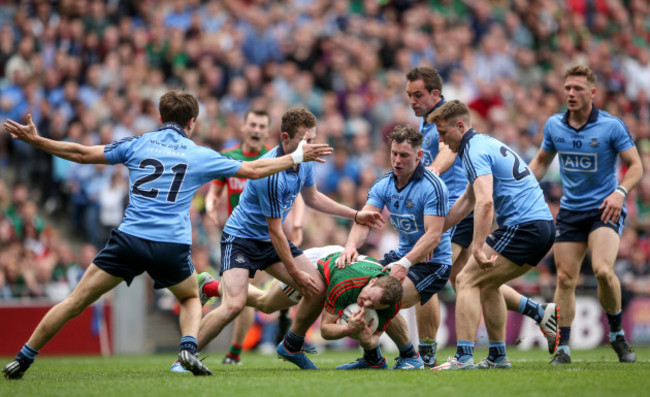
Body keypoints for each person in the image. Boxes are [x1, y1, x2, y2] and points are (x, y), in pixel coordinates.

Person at [1, 91, 333, 379]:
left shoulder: (138, 143)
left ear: (161, 118)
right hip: (170, 246)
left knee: (74, 302)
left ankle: (24, 356)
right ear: (192, 123)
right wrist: (297, 156)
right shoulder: (198, 154)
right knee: (190, 297)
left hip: (128, 240)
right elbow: (253, 169)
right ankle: (188, 348)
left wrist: (38, 140)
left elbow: (82, 154)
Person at [194, 107, 385, 370]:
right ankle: (186, 353)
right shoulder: (272, 175)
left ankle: (292, 346)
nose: (312, 146)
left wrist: (355, 214)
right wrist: (295, 273)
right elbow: (275, 231)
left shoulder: (303, 162)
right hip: (241, 239)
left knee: (317, 289)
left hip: (268, 240)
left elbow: (312, 198)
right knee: (234, 305)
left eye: (314, 138)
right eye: (307, 140)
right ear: (286, 138)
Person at [406, 66, 559, 360]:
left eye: (444, 134)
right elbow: (468, 200)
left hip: (524, 226)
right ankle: (500, 354)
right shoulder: (481, 143)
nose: (443, 139)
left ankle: (457, 356)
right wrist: (434, 232)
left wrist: (478, 245)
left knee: (458, 279)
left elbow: (484, 201)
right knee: (483, 281)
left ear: (459, 126)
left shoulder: (471, 149)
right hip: (535, 225)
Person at [528, 65, 643, 364]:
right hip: (570, 210)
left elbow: (636, 165)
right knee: (565, 278)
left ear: (593, 93)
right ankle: (563, 348)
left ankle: (617, 335)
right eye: (567, 88)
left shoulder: (611, 126)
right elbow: (541, 160)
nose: (571, 93)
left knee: (604, 270)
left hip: (605, 208)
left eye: (578, 89)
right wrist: (521, 185)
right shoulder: (554, 125)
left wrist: (620, 193)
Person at [337, 124, 450, 370]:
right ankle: (373, 359)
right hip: (400, 256)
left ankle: (411, 357)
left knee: (378, 298)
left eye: (404, 155)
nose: (397, 160)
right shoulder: (384, 183)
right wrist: (349, 246)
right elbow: (364, 219)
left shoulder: (433, 186)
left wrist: (405, 263)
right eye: (394, 154)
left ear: (419, 156)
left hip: (432, 264)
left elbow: (434, 235)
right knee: (354, 290)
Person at [191, 245, 405, 370]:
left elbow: (377, 332)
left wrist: (369, 341)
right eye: (367, 298)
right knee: (266, 303)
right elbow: (326, 329)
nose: (365, 305)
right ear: (372, 283)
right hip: (316, 264)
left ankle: (385, 357)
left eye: (373, 305)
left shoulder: (389, 299)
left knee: (272, 301)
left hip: (337, 261)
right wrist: (350, 330)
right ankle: (210, 286)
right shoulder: (345, 284)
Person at [203, 109, 301, 366]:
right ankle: (235, 351)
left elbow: (298, 191)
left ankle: (212, 289)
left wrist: (297, 224)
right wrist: (211, 206)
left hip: (269, 235)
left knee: (254, 298)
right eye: (252, 124)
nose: (256, 130)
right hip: (240, 236)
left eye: (261, 125)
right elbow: (215, 190)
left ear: (268, 131)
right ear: (244, 128)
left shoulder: (274, 158)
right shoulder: (231, 158)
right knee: (242, 298)